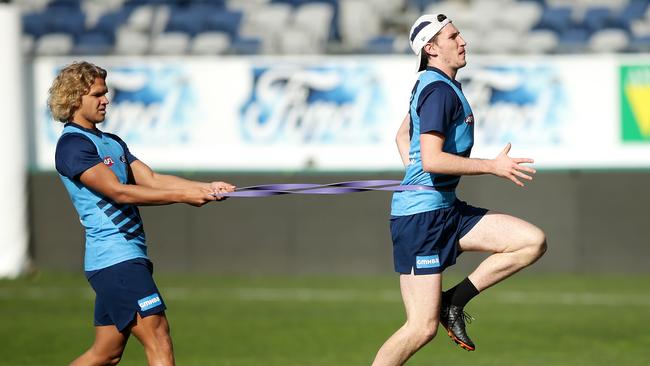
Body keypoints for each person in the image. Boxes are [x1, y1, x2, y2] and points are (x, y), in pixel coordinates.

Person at [372, 14, 547, 365]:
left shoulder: (436, 84)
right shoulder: (437, 90)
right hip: (421, 220)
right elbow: (434, 160)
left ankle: (454, 301)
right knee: (421, 328)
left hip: (445, 209)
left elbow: (402, 136)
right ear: (431, 49)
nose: (463, 41)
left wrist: (416, 176)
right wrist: (491, 166)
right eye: (453, 36)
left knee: (531, 241)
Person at [49, 61, 235, 366]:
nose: (106, 99)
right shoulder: (72, 145)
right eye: (97, 94)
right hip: (115, 260)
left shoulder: (111, 142)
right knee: (158, 336)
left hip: (124, 259)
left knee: (105, 354)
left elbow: (150, 179)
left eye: (105, 93)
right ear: (74, 98)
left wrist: (206, 187)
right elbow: (119, 192)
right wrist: (184, 196)